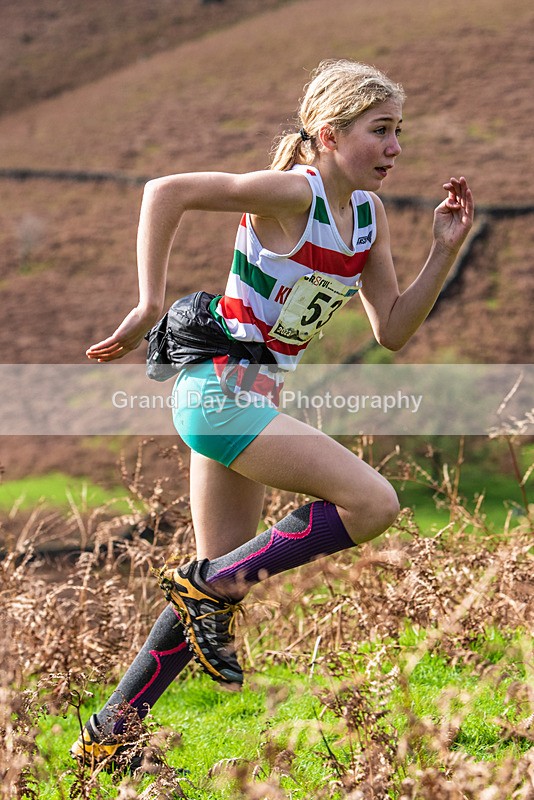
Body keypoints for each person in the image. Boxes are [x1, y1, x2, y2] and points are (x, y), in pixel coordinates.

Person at [73, 59, 474, 770]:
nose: (395, 148)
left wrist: (442, 254)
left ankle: (109, 735)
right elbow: (166, 190)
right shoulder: (297, 191)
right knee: (372, 503)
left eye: (399, 132)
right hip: (219, 392)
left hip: (252, 398)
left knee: (221, 581)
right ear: (329, 134)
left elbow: (394, 328)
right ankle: (200, 593)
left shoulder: (367, 219)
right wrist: (146, 304)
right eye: (380, 131)